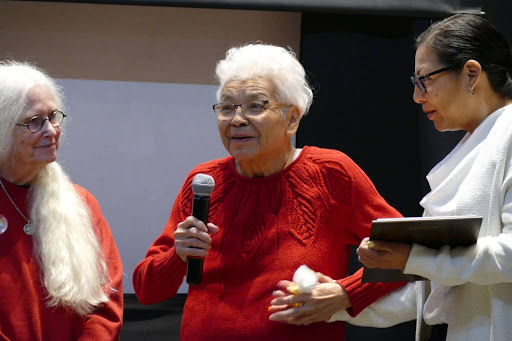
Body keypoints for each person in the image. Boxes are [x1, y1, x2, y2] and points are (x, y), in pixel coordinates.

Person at [132, 43, 405, 340]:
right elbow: (147, 290)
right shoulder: (203, 181)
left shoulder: (331, 172)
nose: (237, 119)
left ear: (292, 119)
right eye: (226, 107)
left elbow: (405, 253)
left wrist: (346, 293)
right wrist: (177, 256)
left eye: (255, 106)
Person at [336, 13, 512, 341]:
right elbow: (439, 291)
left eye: (425, 80)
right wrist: (339, 303)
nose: (418, 97)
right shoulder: (477, 142)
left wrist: (417, 257)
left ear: (472, 74)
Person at [0, 61, 123, 340]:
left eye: (53, 116)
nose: (52, 131)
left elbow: (106, 302)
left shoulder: (81, 203)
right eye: (34, 122)